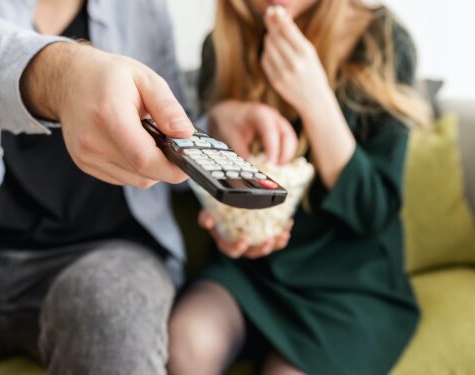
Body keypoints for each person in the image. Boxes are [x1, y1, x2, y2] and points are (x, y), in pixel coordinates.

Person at [0, 1, 297, 374]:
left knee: (113, 316)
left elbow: (167, 126)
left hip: (110, 252)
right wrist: (66, 78)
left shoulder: (142, 7)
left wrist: (213, 124)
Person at [168, 0, 431, 374]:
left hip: (350, 285)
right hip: (252, 273)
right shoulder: (223, 46)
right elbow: (224, 192)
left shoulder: (381, 39)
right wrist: (229, 224)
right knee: (184, 344)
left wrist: (315, 99)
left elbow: (373, 213)